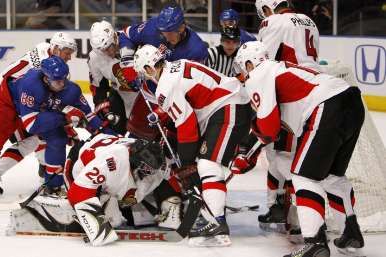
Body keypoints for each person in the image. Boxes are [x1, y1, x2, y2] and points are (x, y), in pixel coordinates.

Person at [235, 41, 365, 257]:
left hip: (327, 107)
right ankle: (349, 231)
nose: (242, 74)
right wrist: (251, 148)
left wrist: (247, 151)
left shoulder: (258, 74)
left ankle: (315, 243)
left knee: (303, 176)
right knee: (332, 176)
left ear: (249, 63)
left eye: (242, 68)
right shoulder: (278, 68)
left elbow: (268, 127)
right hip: (352, 103)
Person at [0, 56, 112, 203]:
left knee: (57, 138)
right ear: (45, 78)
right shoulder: (32, 85)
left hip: (36, 112)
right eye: (57, 80)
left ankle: (52, 187)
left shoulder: (70, 88)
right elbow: (32, 125)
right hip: (5, 108)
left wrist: (107, 136)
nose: (62, 84)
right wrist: (65, 118)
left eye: (64, 78)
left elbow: (88, 115)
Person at [133, 44, 252, 247]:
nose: (146, 77)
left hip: (227, 106)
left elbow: (187, 125)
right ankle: (215, 219)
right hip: (231, 104)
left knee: (207, 165)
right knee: (206, 165)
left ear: (148, 68)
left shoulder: (164, 86)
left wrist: (185, 164)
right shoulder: (179, 64)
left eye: (144, 72)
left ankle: (216, 221)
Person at [0, 32, 78, 198]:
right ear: (56, 48)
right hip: (11, 105)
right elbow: (41, 95)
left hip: (19, 103)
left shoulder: (50, 60)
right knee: (33, 140)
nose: (70, 57)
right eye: (67, 53)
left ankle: (46, 170)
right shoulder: (42, 61)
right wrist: (63, 122)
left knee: (41, 138)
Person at [254, 0, 321, 237]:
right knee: (296, 156)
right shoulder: (309, 20)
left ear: (266, 8)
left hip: (290, 93)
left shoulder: (271, 21)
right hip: (316, 91)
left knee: (281, 155)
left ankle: (291, 213)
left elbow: (262, 61)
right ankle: (285, 210)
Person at [66, 134, 175, 246]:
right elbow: (77, 191)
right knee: (108, 221)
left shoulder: (139, 148)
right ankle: (64, 213)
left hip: (100, 148)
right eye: (146, 168)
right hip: (79, 165)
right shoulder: (112, 161)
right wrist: (98, 228)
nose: (148, 172)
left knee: (117, 216)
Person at [88, 20, 139, 135]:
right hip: (120, 95)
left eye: (109, 47)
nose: (107, 53)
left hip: (145, 96)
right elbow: (98, 87)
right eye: (102, 50)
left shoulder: (133, 40)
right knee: (110, 132)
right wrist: (102, 107)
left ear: (115, 37)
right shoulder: (95, 57)